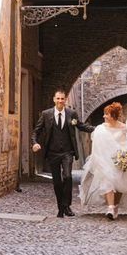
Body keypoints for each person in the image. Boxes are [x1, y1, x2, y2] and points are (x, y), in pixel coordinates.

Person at [32, 89, 95, 218]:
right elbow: (36, 131)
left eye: (62, 99)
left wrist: (99, 129)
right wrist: (34, 142)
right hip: (52, 153)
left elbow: (81, 126)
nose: (60, 101)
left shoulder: (71, 113)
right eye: (58, 99)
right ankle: (60, 207)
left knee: (67, 177)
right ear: (54, 100)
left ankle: (66, 205)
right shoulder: (46, 114)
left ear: (65, 100)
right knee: (56, 182)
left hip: (67, 152)